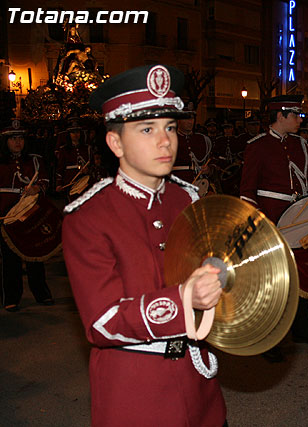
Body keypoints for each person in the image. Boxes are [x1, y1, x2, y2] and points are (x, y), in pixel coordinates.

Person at [62, 64, 226, 425]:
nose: (165, 140)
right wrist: (185, 299)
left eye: (169, 127)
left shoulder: (189, 200)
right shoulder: (88, 216)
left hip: (201, 389)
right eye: (147, 129)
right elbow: (101, 323)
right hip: (135, 394)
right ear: (115, 142)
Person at [239, 95, 308, 362]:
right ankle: (268, 339)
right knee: (272, 282)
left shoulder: (302, 144)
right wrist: (257, 224)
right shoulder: (257, 146)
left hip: (298, 218)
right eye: (295, 114)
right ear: (280, 115)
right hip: (270, 219)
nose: (300, 119)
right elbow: (247, 190)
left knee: (298, 275)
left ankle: (303, 330)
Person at [0, 121, 53, 312]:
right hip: (7, 217)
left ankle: (42, 293)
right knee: (10, 259)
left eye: (20, 138)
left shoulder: (34, 160)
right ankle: (11, 297)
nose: (17, 142)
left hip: (31, 216)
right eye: (13, 138)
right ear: (5, 141)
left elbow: (45, 179)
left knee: (35, 255)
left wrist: (38, 188)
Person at [173, 102, 212, 183]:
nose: (190, 122)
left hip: (200, 182)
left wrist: (209, 170)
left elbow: (212, 161)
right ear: (178, 120)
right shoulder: (170, 139)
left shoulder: (202, 139)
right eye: (186, 119)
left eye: (191, 119)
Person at [55, 119, 90, 197]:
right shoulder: (64, 149)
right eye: (73, 132)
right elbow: (60, 168)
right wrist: (59, 184)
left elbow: (93, 165)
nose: (75, 135)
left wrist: (88, 170)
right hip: (69, 181)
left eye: (77, 132)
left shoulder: (87, 148)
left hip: (85, 181)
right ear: (69, 134)